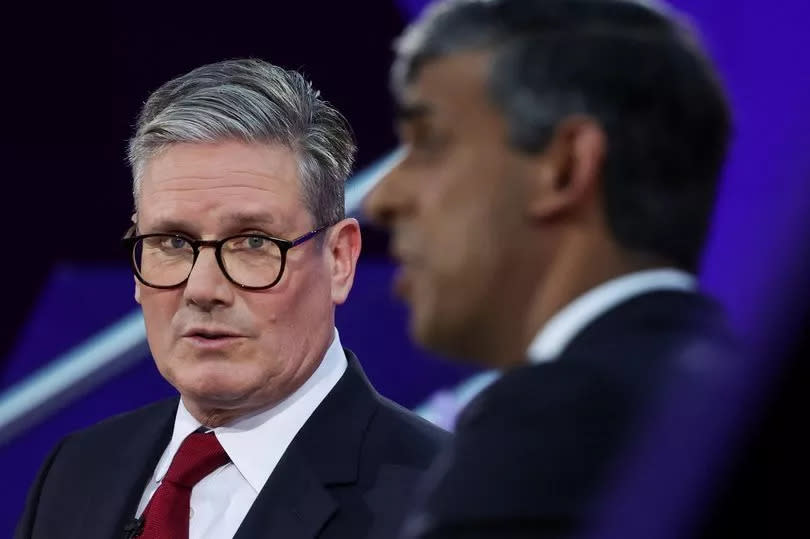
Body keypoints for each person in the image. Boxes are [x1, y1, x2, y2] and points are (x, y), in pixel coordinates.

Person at [17, 58, 447, 539]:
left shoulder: (445, 502)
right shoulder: (76, 471)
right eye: (173, 243)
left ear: (340, 259)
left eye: (253, 243)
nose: (203, 290)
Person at [364, 0, 740, 537]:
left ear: (563, 169)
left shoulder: (555, 417)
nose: (381, 197)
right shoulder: (722, 393)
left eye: (428, 143)